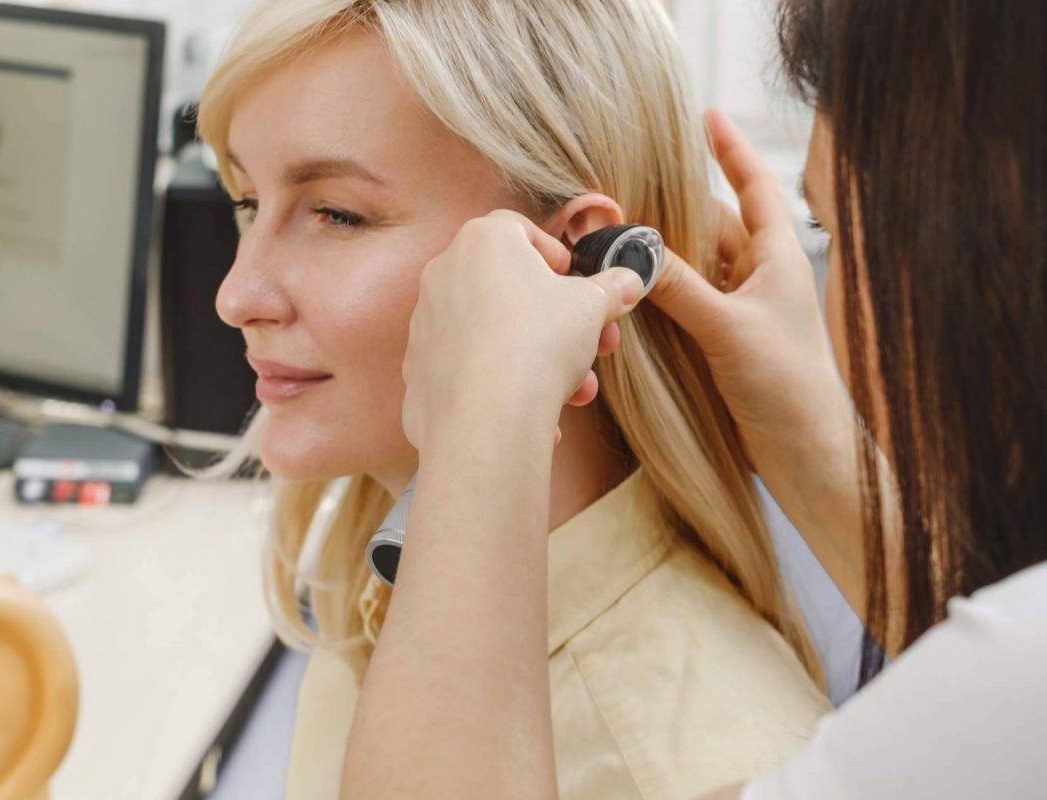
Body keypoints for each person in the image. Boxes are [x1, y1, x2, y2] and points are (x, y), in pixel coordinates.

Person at [340, 0, 1047, 798]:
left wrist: (479, 429)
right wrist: (811, 448)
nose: (240, 297)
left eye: (833, 232)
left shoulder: (690, 743)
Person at [195, 1, 834, 797]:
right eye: (248, 203)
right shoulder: (376, 593)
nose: (236, 295)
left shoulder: (681, 768)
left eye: (337, 214)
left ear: (573, 256)